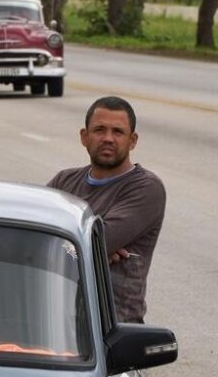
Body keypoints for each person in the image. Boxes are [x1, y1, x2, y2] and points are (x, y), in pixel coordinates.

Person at [48, 96, 166, 323]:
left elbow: (99, 243)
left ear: (132, 141)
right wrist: (86, 249)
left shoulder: (146, 188)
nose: (108, 138)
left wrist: (87, 247)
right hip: (58, 324)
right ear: (84, 137)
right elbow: (32, 238)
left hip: (113, 328)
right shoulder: (64, 181)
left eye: (118, 132)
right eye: (99, 130)